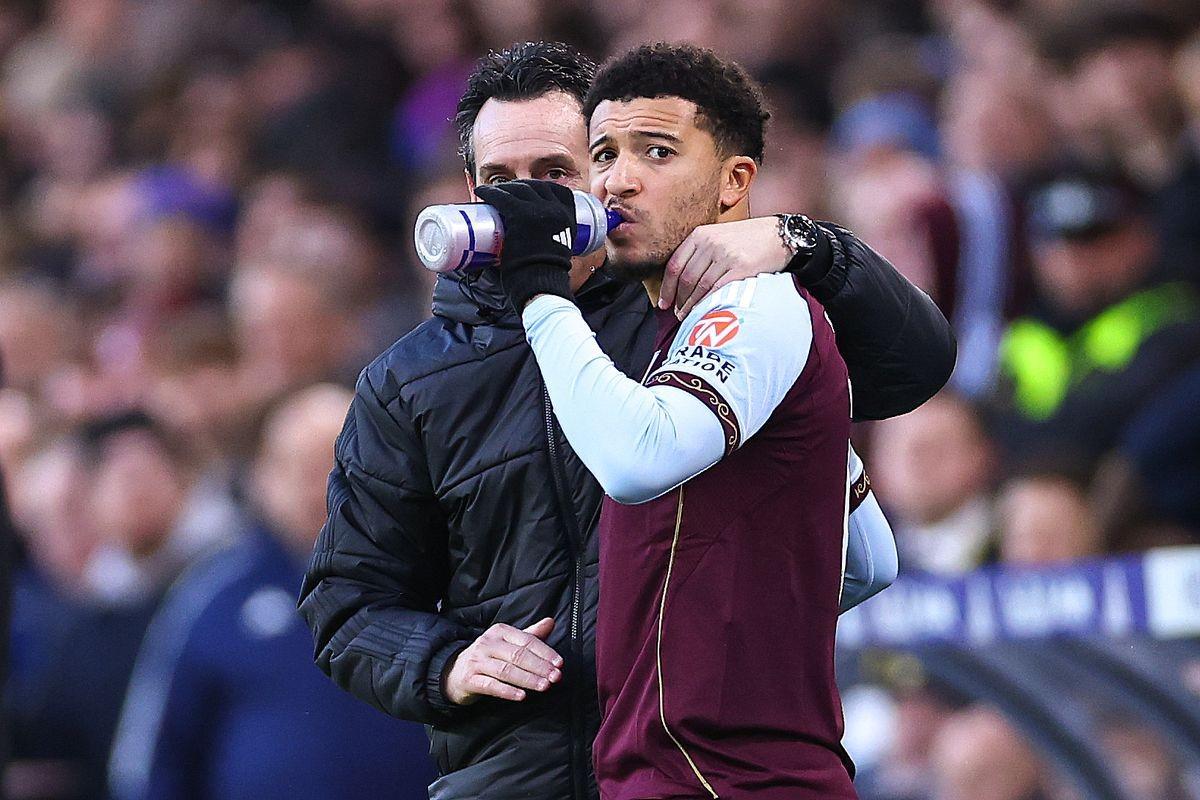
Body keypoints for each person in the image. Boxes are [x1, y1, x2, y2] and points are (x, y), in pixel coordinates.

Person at [299, 41, 953, 800]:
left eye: (555, 173)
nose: (527, 205)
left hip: (693, 769)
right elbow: (346, 604)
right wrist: (446, 661)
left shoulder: (699, 316)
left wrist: (806, 243)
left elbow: (908, 372)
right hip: (512, 781)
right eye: (501, 182)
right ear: (470, 192)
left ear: (604, 177)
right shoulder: (406, 382)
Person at [480, 42, 860, 797]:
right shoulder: (689, 336)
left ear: (735, 181)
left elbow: (636, 459)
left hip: (722, 778)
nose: (618, 179)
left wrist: (541, 294)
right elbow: (868, 555)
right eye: (603, 154)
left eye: (656, 152)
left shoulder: (751, 307)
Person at [108, 385, 434, 800]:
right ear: (262, 477)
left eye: (336, 462)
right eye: (297, 467)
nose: (318, 485)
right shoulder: (212, 595)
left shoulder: (434, 584)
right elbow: (154, 760)